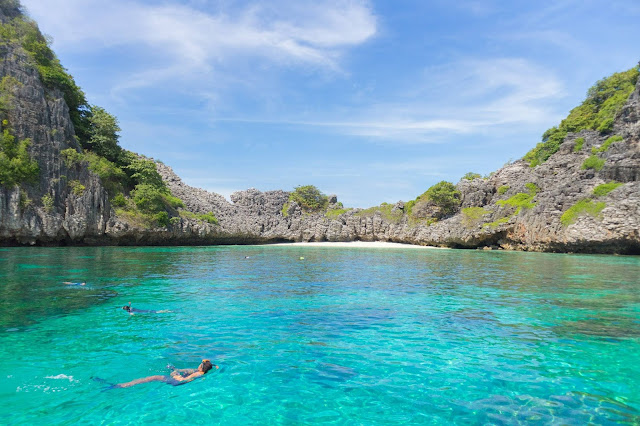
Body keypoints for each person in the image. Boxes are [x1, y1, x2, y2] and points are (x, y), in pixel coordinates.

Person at [112, 359, 217, 388]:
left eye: (200, 364)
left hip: (177, 382)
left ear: (201, 367)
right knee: (176, 369)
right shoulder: (199, 371)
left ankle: (124, 385)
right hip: (179, 379)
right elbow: (215, 366)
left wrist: (176, 375)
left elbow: (183, 380)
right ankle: (126, 384)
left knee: (154, 377)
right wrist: (176, 370)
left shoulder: (198, 374)